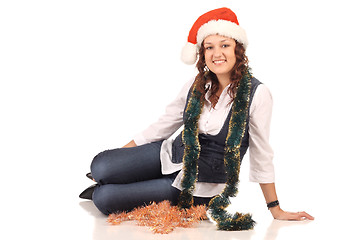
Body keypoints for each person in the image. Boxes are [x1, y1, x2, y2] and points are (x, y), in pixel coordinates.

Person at [80, 7, 314, 230]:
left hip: (199, 184)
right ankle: (116, 178)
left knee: (104, 197)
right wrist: (122, 159)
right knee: (102, 165)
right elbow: (164, 125)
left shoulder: (257, 93)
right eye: (209, 47)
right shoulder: (198, 84)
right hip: (173, 153)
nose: (217, 53)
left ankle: (116, 188)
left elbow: (262, 152)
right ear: (202, 53)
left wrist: (275, 208)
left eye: (225, 45)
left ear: (237, 49)